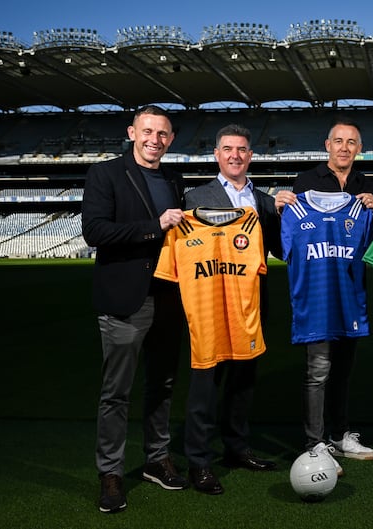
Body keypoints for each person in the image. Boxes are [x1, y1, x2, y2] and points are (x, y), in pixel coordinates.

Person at [82, 105, 188, 514]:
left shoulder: (174, 178)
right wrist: (153, 225)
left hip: (170, 296)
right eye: (147, 132)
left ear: (171, 138)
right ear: (132, 132)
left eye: (162, 134)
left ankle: (157, 459)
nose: (154, 140)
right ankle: (110, 472)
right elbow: (94, 231)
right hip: (126, 297)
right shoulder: (105, 173)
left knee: (162, 384)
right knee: (116, 392)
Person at [180, 124, 282, 494]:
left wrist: (291, 215)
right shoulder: (193, 198)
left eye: (241, 149)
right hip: (210, 302)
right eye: (228, 149)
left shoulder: (266, 202)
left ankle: (237, 448)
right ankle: (199, 461)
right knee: (206, 385)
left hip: (251, 302)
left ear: (250, 155)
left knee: (244, 381)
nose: (235, 155)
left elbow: (280, 251)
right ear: (216, 154)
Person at [275, 119, 373, 474]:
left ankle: (339, 434)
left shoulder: (366, 186)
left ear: (359, 148)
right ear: (327, 145)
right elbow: (284, 246)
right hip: (318, 298)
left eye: (352, 142)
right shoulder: (305, 183)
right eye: (339, 141)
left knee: (343, 371)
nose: (345, 147)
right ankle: (314, 443)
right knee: (318, 369)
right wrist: (281, 209)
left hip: (349, 295)